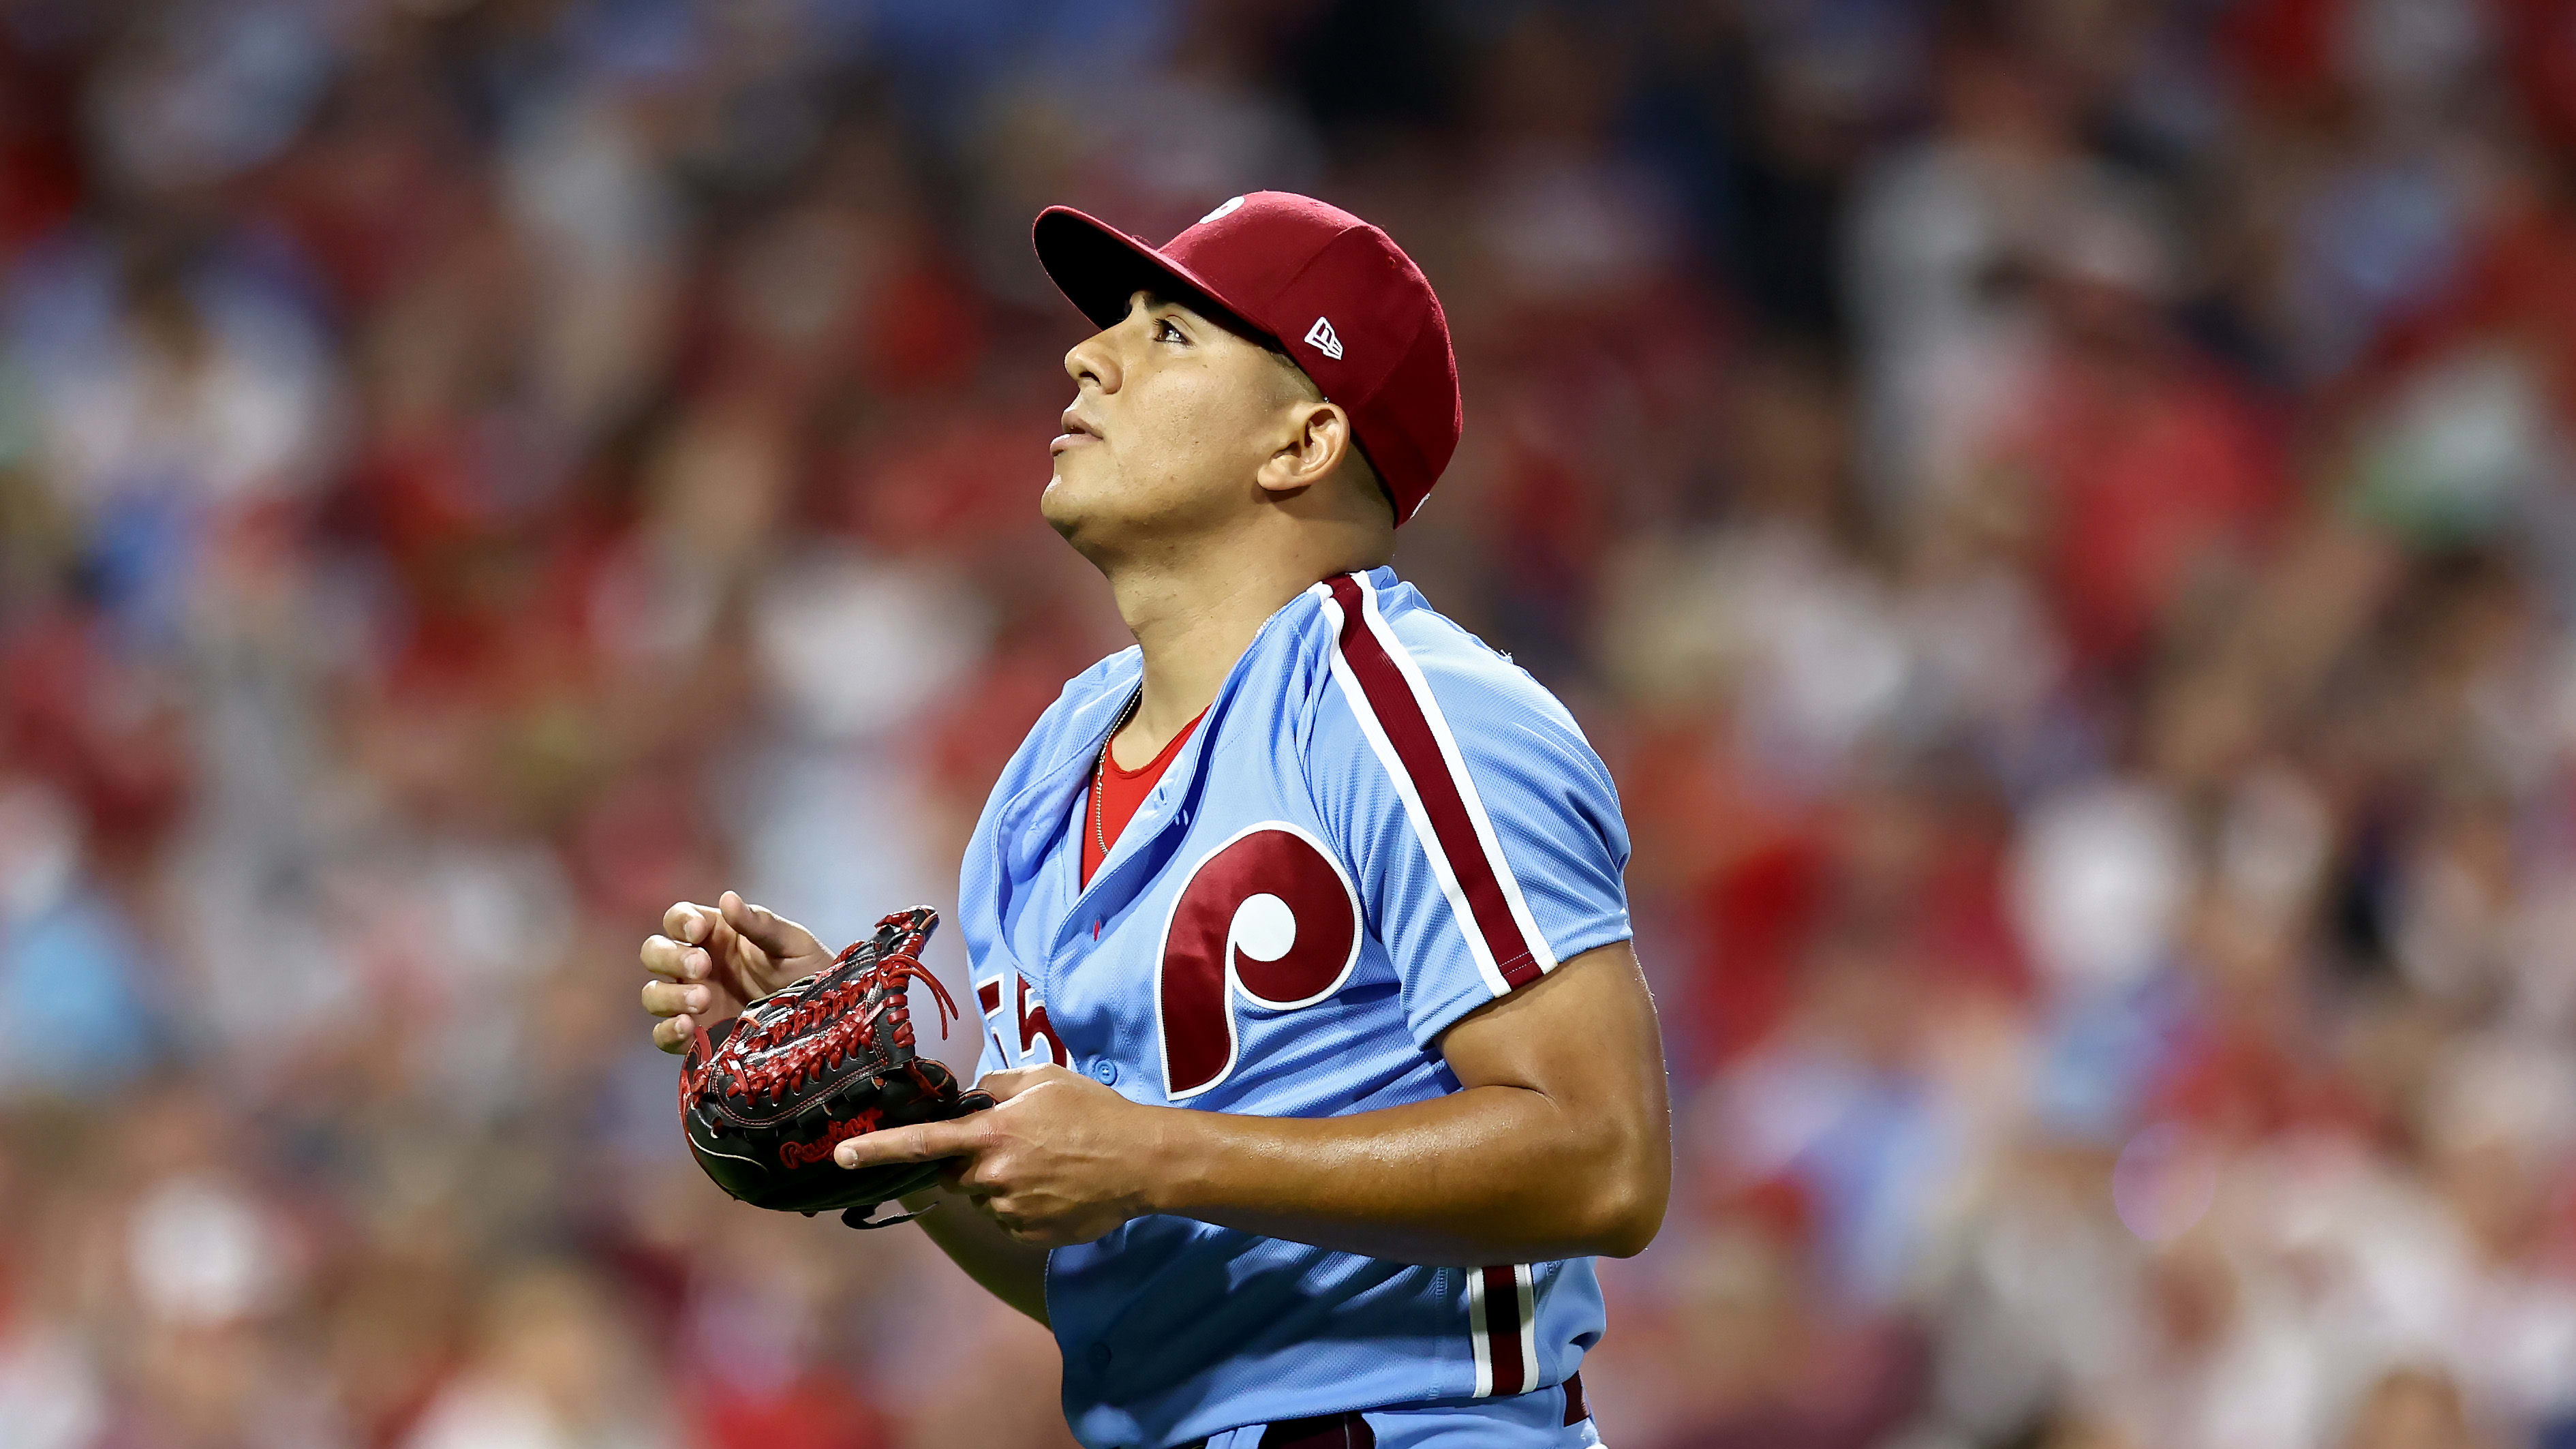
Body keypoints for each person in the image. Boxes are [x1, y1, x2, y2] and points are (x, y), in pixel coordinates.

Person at [637, 192, 1670, 1449]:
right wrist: (891, 1120)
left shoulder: (1417, 712)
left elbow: (1606, 1157)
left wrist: (1154, 1155)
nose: (1089, 355)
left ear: (1303, 441)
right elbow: (1117, 1291)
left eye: (1172, 333)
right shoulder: (1041, 781)